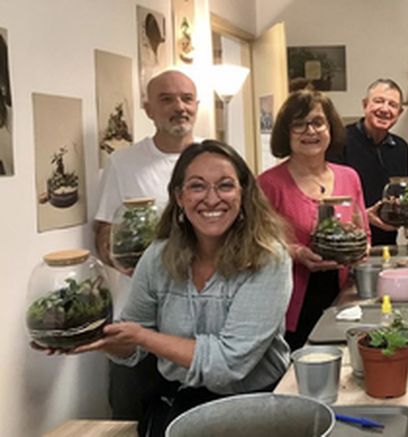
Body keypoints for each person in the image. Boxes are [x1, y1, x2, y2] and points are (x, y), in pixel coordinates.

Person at [54, 140, 292, 437]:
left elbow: (228, 363)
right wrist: (103, 339)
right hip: (181, 405)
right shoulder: (157, 257)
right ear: (179, 197)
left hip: (257, 412)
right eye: (197, 186)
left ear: (243, 194)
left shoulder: (268, 259)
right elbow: (133, 344)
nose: (212, 198)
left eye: (225, 185)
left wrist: (142, 336)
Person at [93, 68, 199, 421]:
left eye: (186, 98)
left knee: (198, 417)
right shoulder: (124, 163)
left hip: (199, 318)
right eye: (166, 99)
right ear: (148, 108)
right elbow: (104, 233)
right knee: (130, 414)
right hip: (137, 316)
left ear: (196, 105)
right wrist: (123, 260)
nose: (179, 107)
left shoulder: (213, 160)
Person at [258, 90, 367, 350]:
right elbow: (254, 244)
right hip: (292, 303)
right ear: (286, 131)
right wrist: (295, 252)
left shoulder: (349, 176)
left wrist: (358, 250)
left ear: (330, 128)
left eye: (318, 122)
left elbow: (364, 233)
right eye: (299, 124)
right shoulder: (269, 183)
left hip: (343, 299)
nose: (310, 131)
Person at [328, 78, 408, 246]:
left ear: (399, 113)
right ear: (365, 104)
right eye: (379, 101)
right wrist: (364, 217)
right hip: (346, 242)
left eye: (392, 105)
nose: (385, 109)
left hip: (387, 243)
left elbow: (398, 196)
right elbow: (330, 201)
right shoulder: (340, 141)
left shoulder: (401, 148)